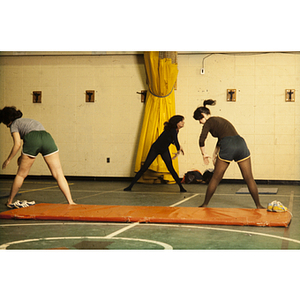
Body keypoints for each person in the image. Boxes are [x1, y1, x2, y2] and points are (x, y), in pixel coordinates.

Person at [193, 100, 265, 209]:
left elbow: (201, 140)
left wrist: (204, 154)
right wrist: (214, 154)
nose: (200, 122)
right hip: (240, 143)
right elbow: (222, 137)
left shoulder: (209, 122)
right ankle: (258, 205)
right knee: (249, 177)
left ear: (203, 115)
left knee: (216, 178)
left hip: (229, 145)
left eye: (199, 119)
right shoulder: (219, 120)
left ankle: (205, 204)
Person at [0, 106, 76, 207]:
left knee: (21, 175)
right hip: (47, 138)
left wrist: (8, 160)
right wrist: (21, 157)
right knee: (58, 174)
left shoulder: (14, 124)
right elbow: (33, 139)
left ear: (7, 120)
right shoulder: (30, 121)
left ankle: (9, 201)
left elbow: (18, 144)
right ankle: (71, 201)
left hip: (32, 140)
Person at [124, 115, 187, 192]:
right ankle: (130, 186)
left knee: (171, 168)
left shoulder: (175, 130)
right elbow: (175, 140)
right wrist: (178, 149)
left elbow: (171, 140)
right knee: (145, 167)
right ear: (177, 122)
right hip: (155, 149)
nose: (183, 122)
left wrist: (179, 147)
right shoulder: (173, 130)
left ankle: (181, 188)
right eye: (182, 121)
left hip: (164, 150)